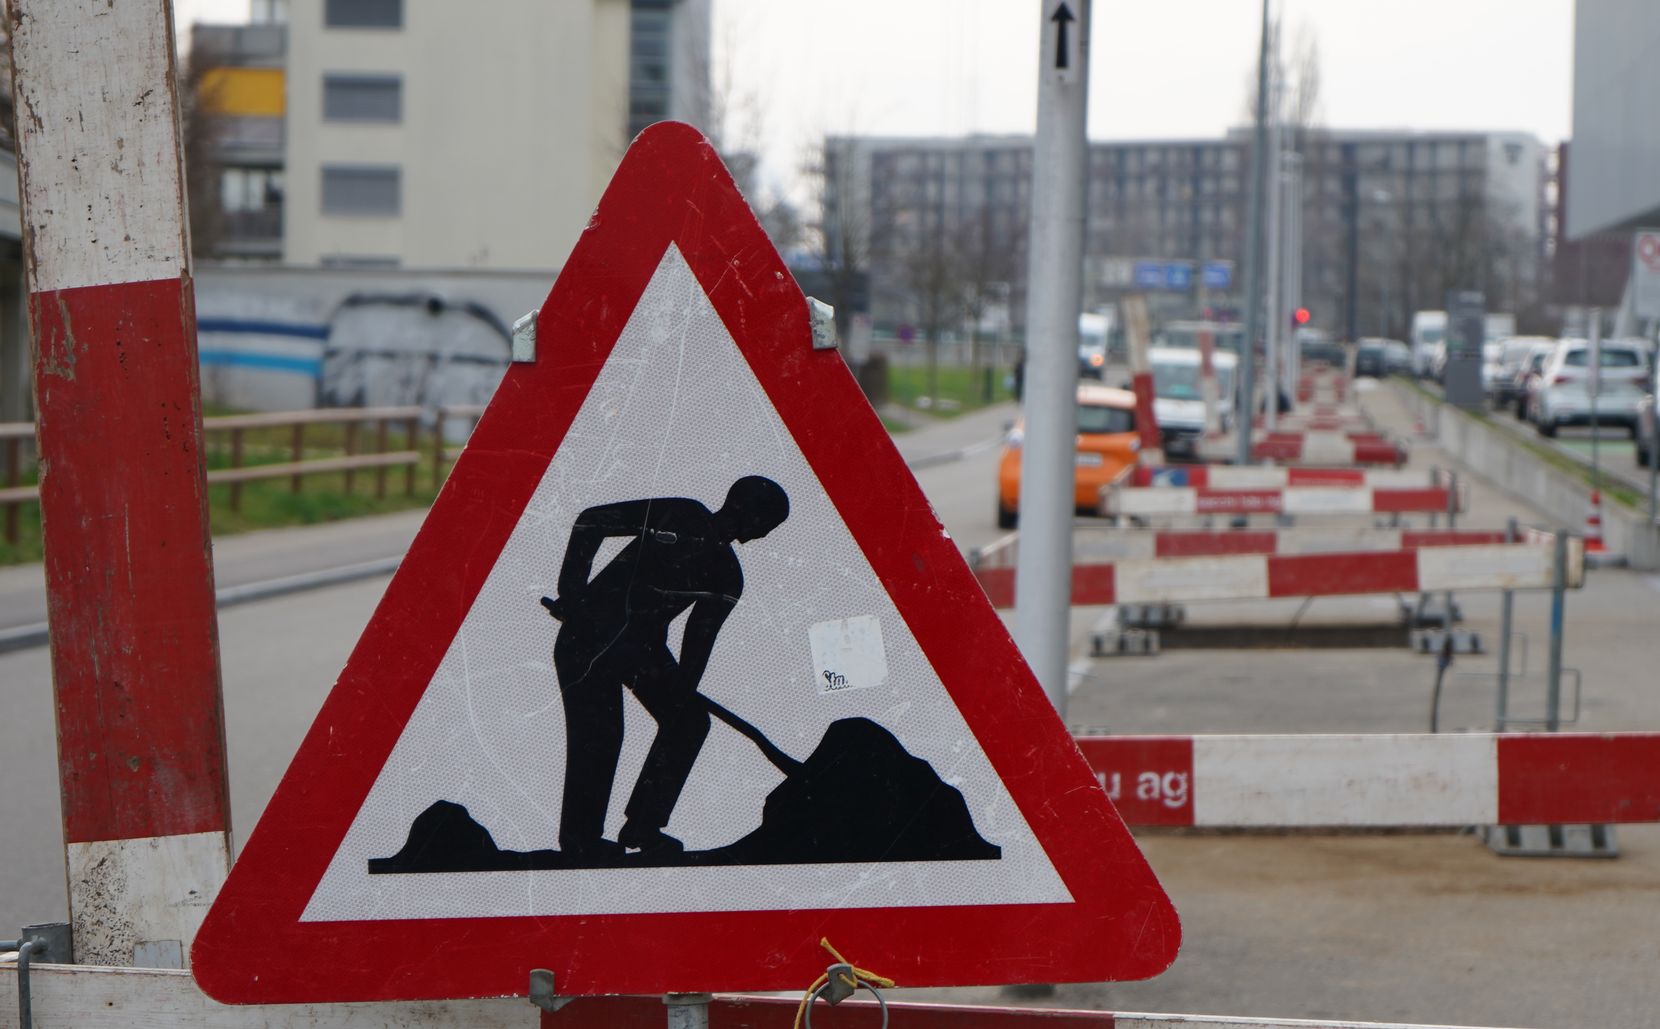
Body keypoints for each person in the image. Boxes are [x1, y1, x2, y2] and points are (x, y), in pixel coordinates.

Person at [541, 475, 790, 859]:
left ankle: (644, 825)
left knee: (689, 721)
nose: (766, 534)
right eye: (766, 523)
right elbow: (592, 520)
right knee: (601, 733)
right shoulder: (681, 514)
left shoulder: (728, 576)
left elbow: (697, 645)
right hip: (589, 639)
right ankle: (581, 841)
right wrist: (573, 594)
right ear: (747, 512)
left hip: (641, 651)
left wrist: (684, 689)